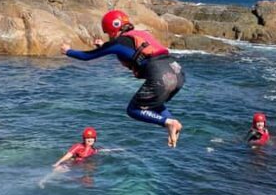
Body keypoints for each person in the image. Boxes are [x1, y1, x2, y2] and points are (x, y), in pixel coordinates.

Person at [60, 10, 185, 147]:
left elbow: (87, 56)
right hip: (177, 71)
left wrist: (68, 51)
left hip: (159, 73)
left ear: (113, 30)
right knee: (151, 103)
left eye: (108, 33)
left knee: (133, 109)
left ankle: (169, 122)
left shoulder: (118, 42)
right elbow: (131, 51)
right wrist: (103, 46)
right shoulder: (141, 34)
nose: (109, 36)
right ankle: (172, 123)